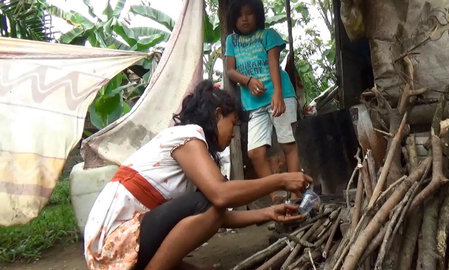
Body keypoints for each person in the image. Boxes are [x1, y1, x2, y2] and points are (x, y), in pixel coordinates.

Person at [83, 80, 312, 270]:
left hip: (122, 243)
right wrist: (280, 179)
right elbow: (219, 199)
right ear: (218, 114)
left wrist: (269, 212)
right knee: (209, 201)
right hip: (112, 244)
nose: (233, 134)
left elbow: (215, 216)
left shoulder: (195, 156)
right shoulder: (188, 135)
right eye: (232, 124)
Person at [225, 0, 301, 204]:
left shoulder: (268, 35)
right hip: (254, 104)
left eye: (249, 13)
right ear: (233, 18)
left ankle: (295, 194)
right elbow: (230, 71)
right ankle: (276, 195)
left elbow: (273, 62)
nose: (244, 18)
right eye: (240, 15)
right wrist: (247, 81)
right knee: (255, 153)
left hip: (280, 94)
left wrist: (277, 93)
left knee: (288, 144)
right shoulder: (231, 41)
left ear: (257, 15)